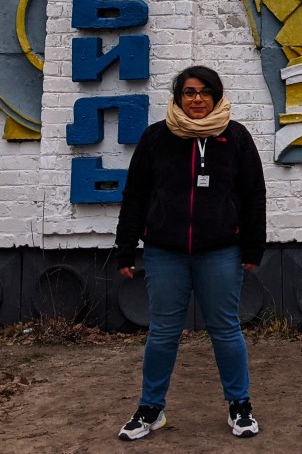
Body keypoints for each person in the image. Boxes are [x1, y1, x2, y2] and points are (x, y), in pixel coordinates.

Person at [114, 66, 267, 441]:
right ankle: (151, 409)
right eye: (188, 92)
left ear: (215, 95)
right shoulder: (155, 138)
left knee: (226, 329)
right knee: (163, 332)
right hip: (165, 252)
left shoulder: (236, 138)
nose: (196, 99)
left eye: (204, 92)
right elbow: (134, 196)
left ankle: (240, 406)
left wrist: (253, 247)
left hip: (221, 252)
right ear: (178, 97)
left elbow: (253, 195)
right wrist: (125, 248)